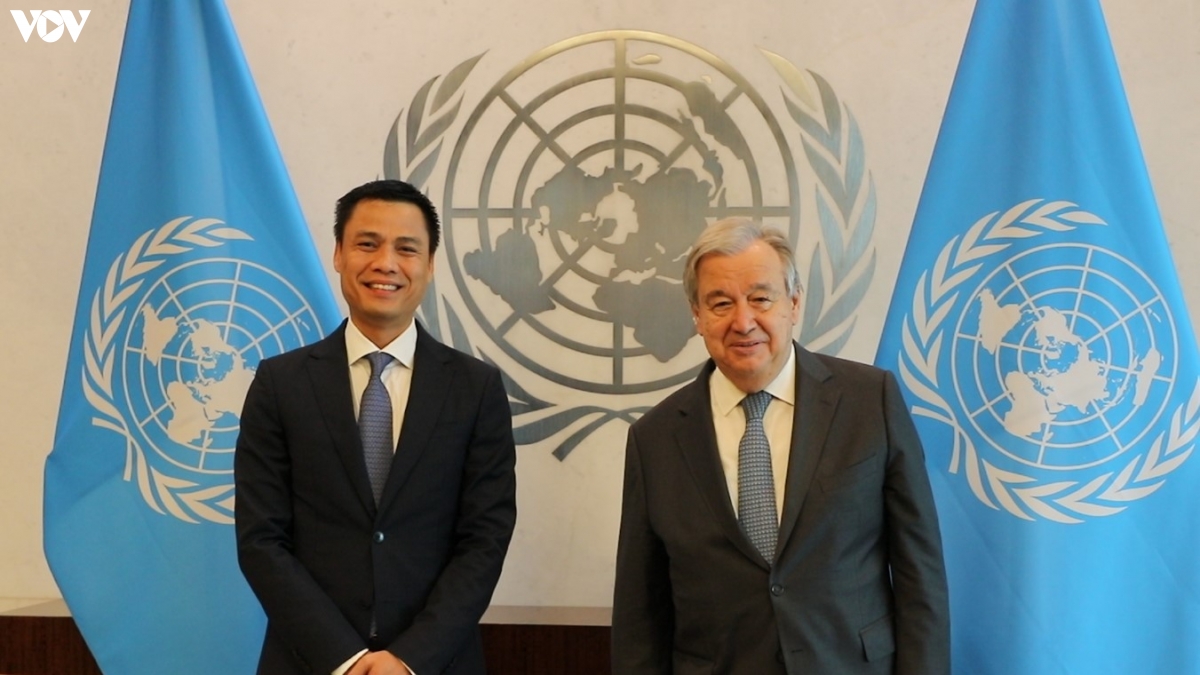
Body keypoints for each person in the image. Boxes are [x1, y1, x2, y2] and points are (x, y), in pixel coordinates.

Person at [611, 218, 949, 674]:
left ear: (794, 302)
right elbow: (639, 614)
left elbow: (919, 574)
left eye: (760, 298)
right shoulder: (654, 439)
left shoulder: (871, 401)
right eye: (721, 303)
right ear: (697, 316)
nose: (743, 321)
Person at [235, 179, 517, 675]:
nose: (385, 263)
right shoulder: (280, 384)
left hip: (435, 664)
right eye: (367, 244)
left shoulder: (476, 389)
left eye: (406, 248)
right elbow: (261, 539)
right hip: (308, 662)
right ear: (339, 254)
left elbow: (485, 540)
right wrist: (344, 659)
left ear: (429, 264)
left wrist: (409, 659)